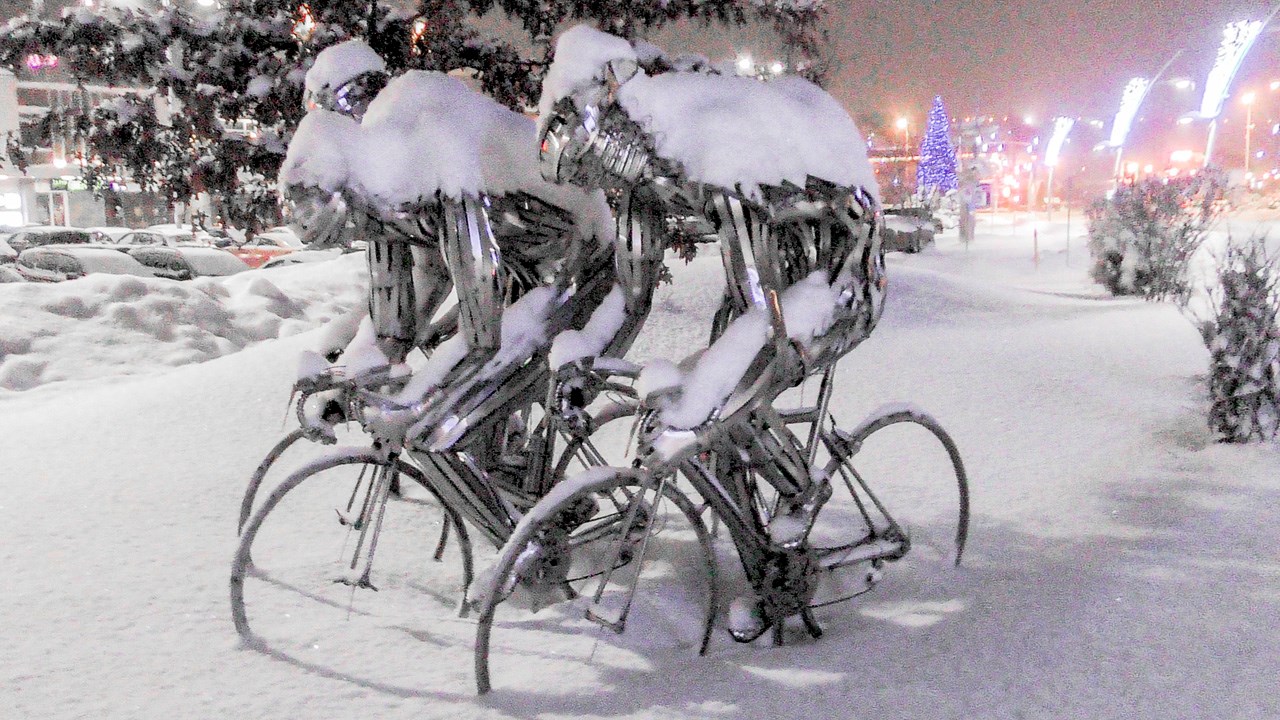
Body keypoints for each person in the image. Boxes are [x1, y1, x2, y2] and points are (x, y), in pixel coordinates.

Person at [536, 25, 887, 636]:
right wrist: (585, 356)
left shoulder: (706, 153)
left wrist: (695, 407)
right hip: (768, 280)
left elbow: (766, 315)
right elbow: (630, 289)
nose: (600, 181)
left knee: (728, 401)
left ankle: (802, 496)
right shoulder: (642, 178)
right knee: (716, 426)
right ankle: (769, 574)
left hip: (838, 272)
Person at [279, 39, 617, 494]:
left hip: (576, 261)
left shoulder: (439, 154)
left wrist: (417, 403)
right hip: (516, 264)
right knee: (456, 402)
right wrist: (354, 380)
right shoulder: (381, 184)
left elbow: (481, 336)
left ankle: (544, 519)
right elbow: (393, 320)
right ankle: (514, 490)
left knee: (457, 412)